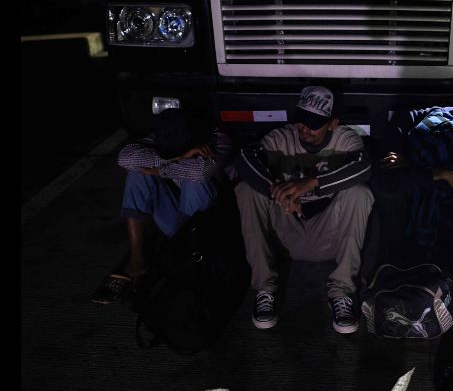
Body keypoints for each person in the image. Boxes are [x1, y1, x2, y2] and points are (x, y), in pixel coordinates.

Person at [234, 86, 373, 334]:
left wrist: (311, 183)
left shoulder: (346, 139)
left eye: (314, 124)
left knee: (359, 192)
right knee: (247, 189)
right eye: (302, 120)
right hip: (286, 229)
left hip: (329, 234)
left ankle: (341, 291)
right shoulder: (281, 138)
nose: (305, 129)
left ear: (333, 123)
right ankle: (265, 288)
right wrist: (277, 192)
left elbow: (363, 168)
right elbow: (244, 158)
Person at [91, 108, 234, 304]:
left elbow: (201, 171)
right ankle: (137, 260)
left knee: (194, 182)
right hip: (177, 222)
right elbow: (124, 158)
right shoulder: (164, 135)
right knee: (137, 173)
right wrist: (175, 157)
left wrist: (160, 170)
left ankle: (187, 259)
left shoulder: (219, 140)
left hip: (209, 224)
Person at [370, 106, 453, 298]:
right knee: (391, 192)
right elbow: (384, 181)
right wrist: (440, 173)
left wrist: (413, 168)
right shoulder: (405, 120)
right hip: (417, 199)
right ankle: (399, 257)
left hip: (448, 197)